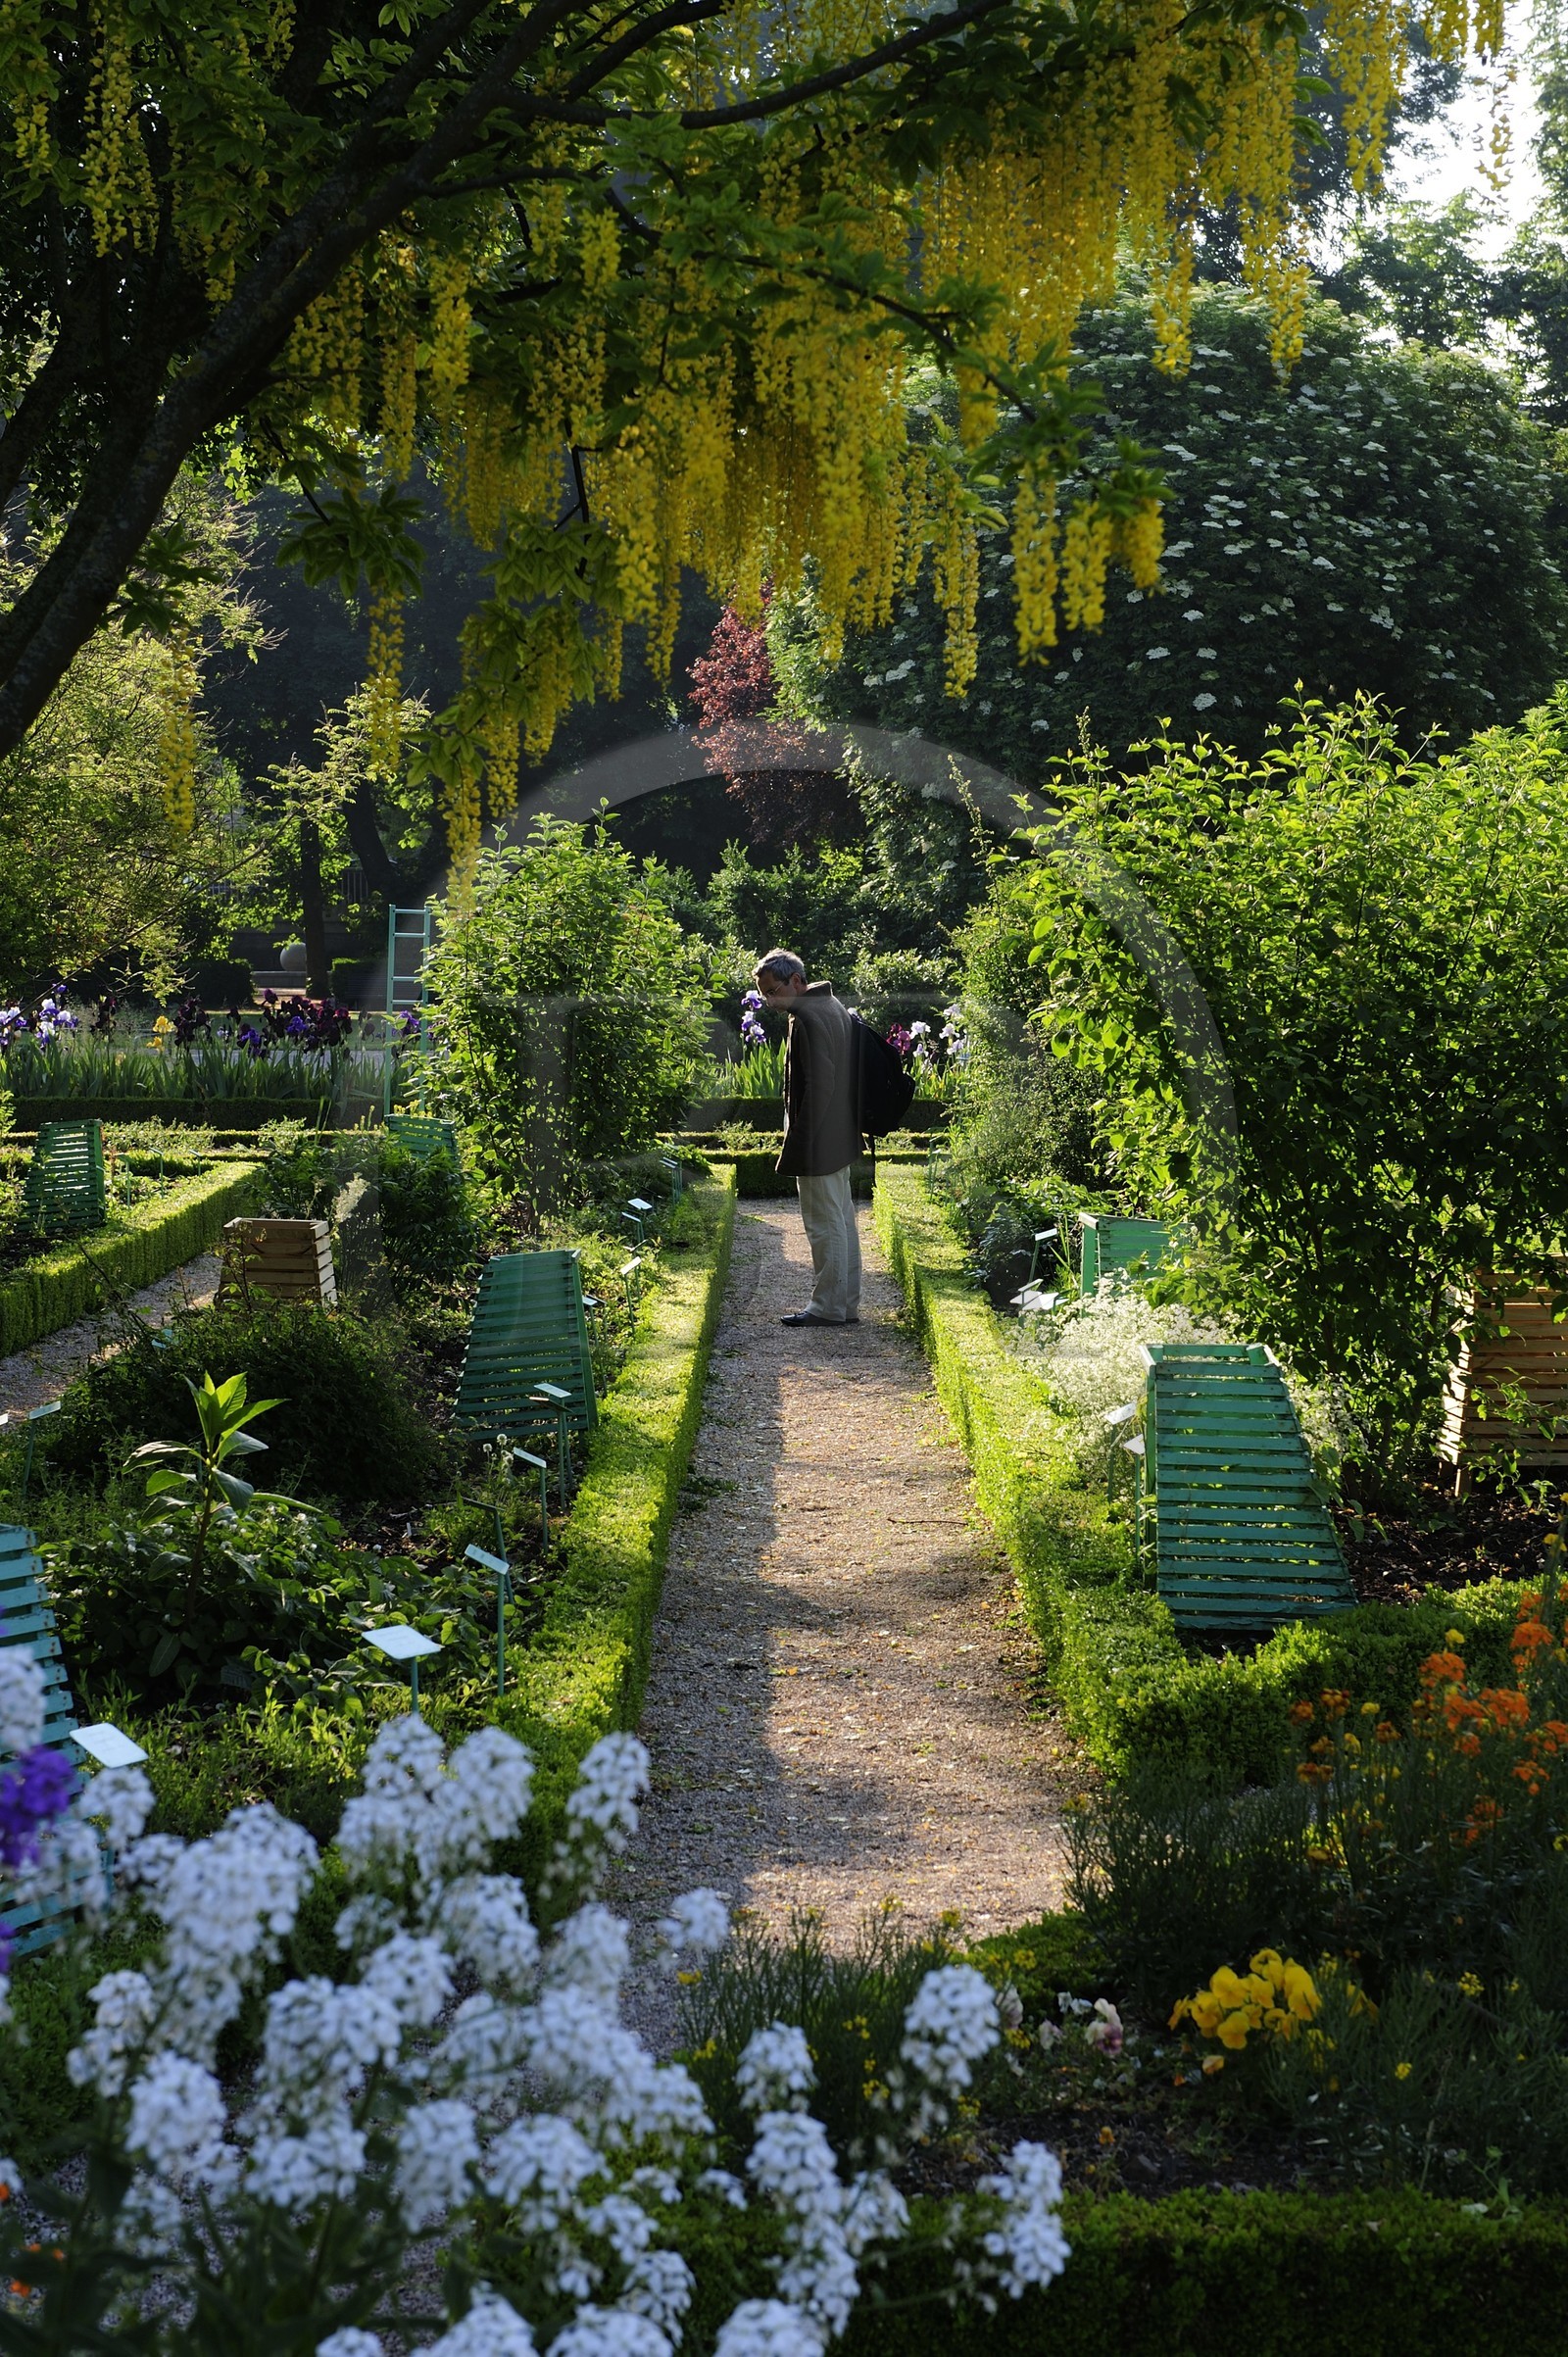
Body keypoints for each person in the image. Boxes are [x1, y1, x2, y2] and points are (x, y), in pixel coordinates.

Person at [753, 948, 862, 1327]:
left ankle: (828, 1307)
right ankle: (844, 1303)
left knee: (824, 1223)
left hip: (821, 1140)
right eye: (765, 993)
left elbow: (820, 1087)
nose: (770, 1001)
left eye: (774, 991)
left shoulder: (808, 1018)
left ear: (797, 981)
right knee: (841, 1219)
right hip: (839, 1133)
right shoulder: (830, 1006)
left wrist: (800, 1141)